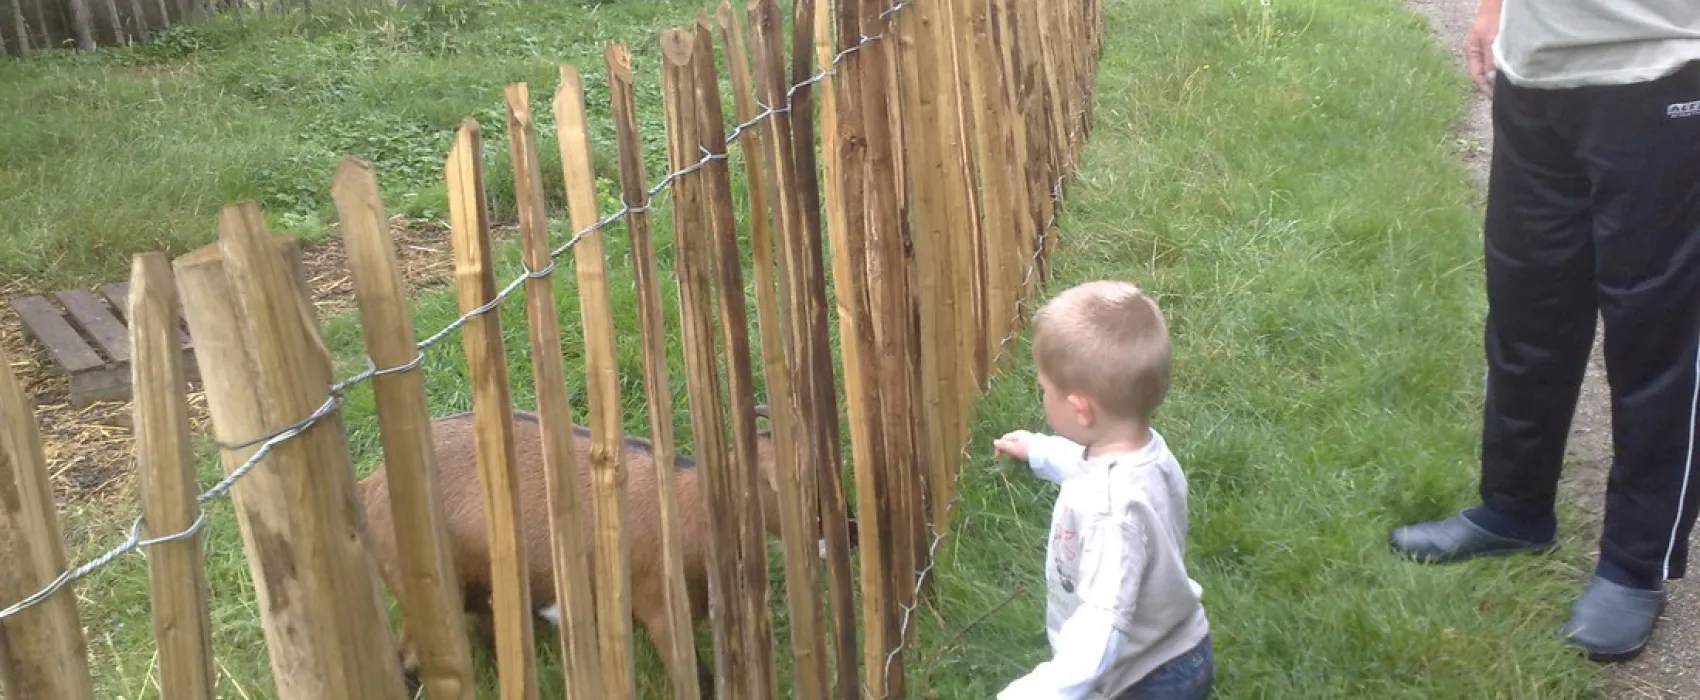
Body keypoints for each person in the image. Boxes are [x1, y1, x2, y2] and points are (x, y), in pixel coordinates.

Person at [1388, 0, 1700, 662]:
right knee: (1528, 314)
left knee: (1656, 341)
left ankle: (1634, 564)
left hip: (1664, 67)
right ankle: (1514, 511)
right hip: (1536, 73)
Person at [994, 280, 1213, 700]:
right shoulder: (1144, 452)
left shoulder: (1110, 515)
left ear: (1080, 408)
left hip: (1141, 678)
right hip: (1180, 643)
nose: (1042, 394)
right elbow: (1088, 468)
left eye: (1044, 388)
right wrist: (1039, 451)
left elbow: (1101, 628)